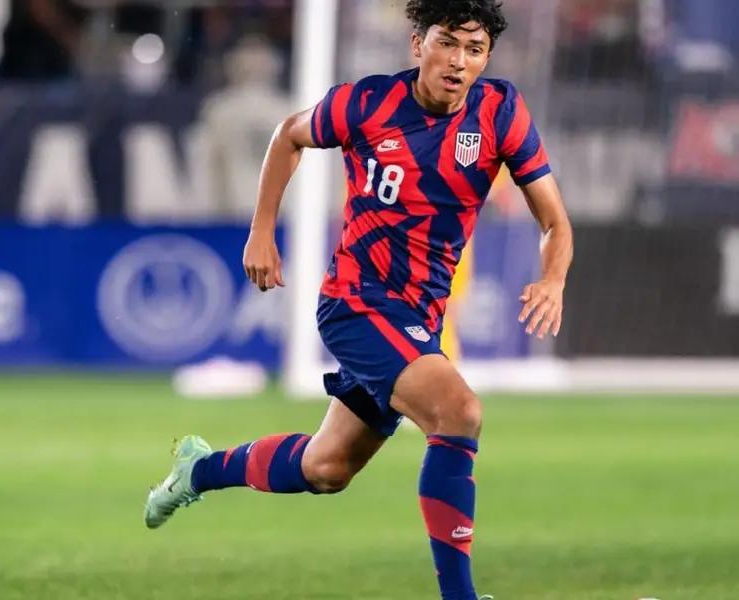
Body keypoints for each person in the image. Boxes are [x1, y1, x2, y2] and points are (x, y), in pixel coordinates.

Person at [142, 2, 573, 599]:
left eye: (474, 50)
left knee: (326, 469)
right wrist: (261, 229)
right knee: (459, 412)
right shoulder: (368, 103)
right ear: (418, 44)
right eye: (448, 43)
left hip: (418, 318)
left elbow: (554, 221)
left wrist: (553, 279)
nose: (458, 61)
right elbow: (289, 135)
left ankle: (198, 470)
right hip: (357, 304)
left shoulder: (500, 112)